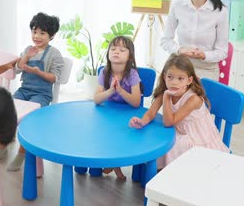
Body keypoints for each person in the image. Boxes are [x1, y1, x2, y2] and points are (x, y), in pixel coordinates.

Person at [129, 54, 228, 169]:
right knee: (154, 140)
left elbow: (168, 122)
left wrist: (166, 97)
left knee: (171, 146)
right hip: (178, 130)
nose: (174, 82)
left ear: (189, 80)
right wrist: (142, 121)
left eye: (180, 78)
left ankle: (166, 175)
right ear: (165, 76)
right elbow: (151, 113)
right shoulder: (165, 91)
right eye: (170, 77)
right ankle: (156, 173)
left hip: (197, 137)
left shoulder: (193, 99)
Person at [6, 12, 64, 171]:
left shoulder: (54, 54)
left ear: (51, 36)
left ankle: (21, 154)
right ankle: (4, 143)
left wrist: (38, 72)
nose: (37, 36)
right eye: (34, 31)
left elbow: (54, 78)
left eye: (42, 33)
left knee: (28, 118)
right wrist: (25, 57)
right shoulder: (28, 49)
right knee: (7, 108)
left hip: (42, 94)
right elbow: (17, 70)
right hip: (24, 90)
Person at [160, 0, 228, 81]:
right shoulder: (178, 5)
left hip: (206, 69)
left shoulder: (220, 11)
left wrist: (204, 55)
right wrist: (179, 49)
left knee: (193, 98)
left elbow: (222, 51)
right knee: (164, 95)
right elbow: (165, 40)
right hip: (180, 65)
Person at [93, 36, 142, 180]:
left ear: (130, 56)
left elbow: (136, 102)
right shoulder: (104, 72)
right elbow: (96, 99)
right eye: (113, 49)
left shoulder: (132, 74)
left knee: (120, 136)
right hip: (109, 113)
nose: (116, 52)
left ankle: (115, 165)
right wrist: (110, 91)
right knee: (105, 134)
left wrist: (120, 91)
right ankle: (114, 165)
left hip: (128, 113)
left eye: (122, 50)